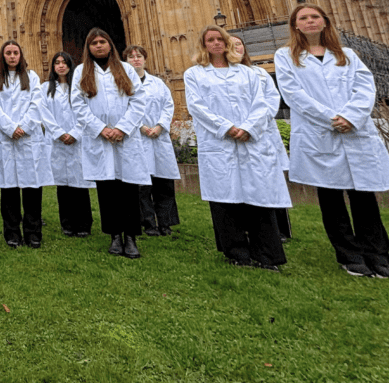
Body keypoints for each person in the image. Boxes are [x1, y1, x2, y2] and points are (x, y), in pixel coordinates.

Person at [275, 3, 389, 278]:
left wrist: (351, 116)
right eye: (303, 18)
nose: (310, 21)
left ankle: (378, 253)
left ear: (325, 22)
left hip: (354, 130)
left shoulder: (347, 54)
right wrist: (331, 118)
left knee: (364, 197)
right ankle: (349, 255)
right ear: (295, 25)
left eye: (315, 17)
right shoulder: (285, 56)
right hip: (320, 134)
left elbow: (365, 87)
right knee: (331, 199)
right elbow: (293, 94)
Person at [185, 25, 290, 271]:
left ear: (227, 43)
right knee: (226, 199)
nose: (216, 43)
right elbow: (197, 106)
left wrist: (249, 127)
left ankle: (267, 254)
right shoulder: (195, 74)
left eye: (219, 39)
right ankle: (236, 252)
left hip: (250, 140)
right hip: (220, 141)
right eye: (210, 40)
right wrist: (226, 127)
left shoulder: (249, 73)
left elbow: (263, 103)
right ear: (204, 45)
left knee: (259, 199)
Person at [71, 28, 147, 259]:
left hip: (125, 137)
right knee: (107, 190)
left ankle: (131, 237)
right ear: (88, 47)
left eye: (102, 41)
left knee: (129, 188)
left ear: (110, 44)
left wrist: (123, 128)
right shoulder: (81, 72)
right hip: (100, 139)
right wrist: (100, 128)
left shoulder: (126, 69)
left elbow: (139, 101)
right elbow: (78, 105)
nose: (99, 45)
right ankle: (114, 235)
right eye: (94, 42)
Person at [230, 35, 292, 242]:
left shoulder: (260, 73)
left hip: (263, 131)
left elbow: (271, 100)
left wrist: (252, 125)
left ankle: (281, 229)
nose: (235, 47)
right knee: (243, 182)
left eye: (238, 43)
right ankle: (249, 228)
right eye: (230, 44)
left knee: (271, 180)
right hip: (236, 133)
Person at [0, 40, 46, 248]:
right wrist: (11, 128)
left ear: (21, 55)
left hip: (29, 139)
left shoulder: (32, 77)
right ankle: (12, 233)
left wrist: (25, 127)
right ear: (3, 56)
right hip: (6, 138)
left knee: (32, 188)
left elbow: (37, 104)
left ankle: (33, 232)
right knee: (9, 189)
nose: (12, 56)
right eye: (8, 53)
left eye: (15, 53)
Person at [123, 45, 180, 237]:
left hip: (159, 137)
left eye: (139, 56)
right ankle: (148, 223)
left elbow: (168, 105)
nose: (136, 60)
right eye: (131, 57)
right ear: (126, 62)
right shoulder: (124, 85)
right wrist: (140, 126)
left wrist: (160, 126)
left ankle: (166, 222)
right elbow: (124, 109)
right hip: (138, 136)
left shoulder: (158, 83)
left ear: (145, 60)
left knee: (164, 183)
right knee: (142, 186)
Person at [38, 51, 94, 238]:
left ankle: (84, 224)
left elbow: (87, 111)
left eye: (64, 62)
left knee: (80, 184)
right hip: (57, 142)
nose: (61, 66)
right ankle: (67, 224)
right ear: (53, 67)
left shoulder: (79, 87)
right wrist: (60, 133)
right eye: (57, 63)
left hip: (78, 141)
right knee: (62, 185)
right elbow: (43, 112)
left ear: (70, 65)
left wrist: (75, 133)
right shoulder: (45, 88)